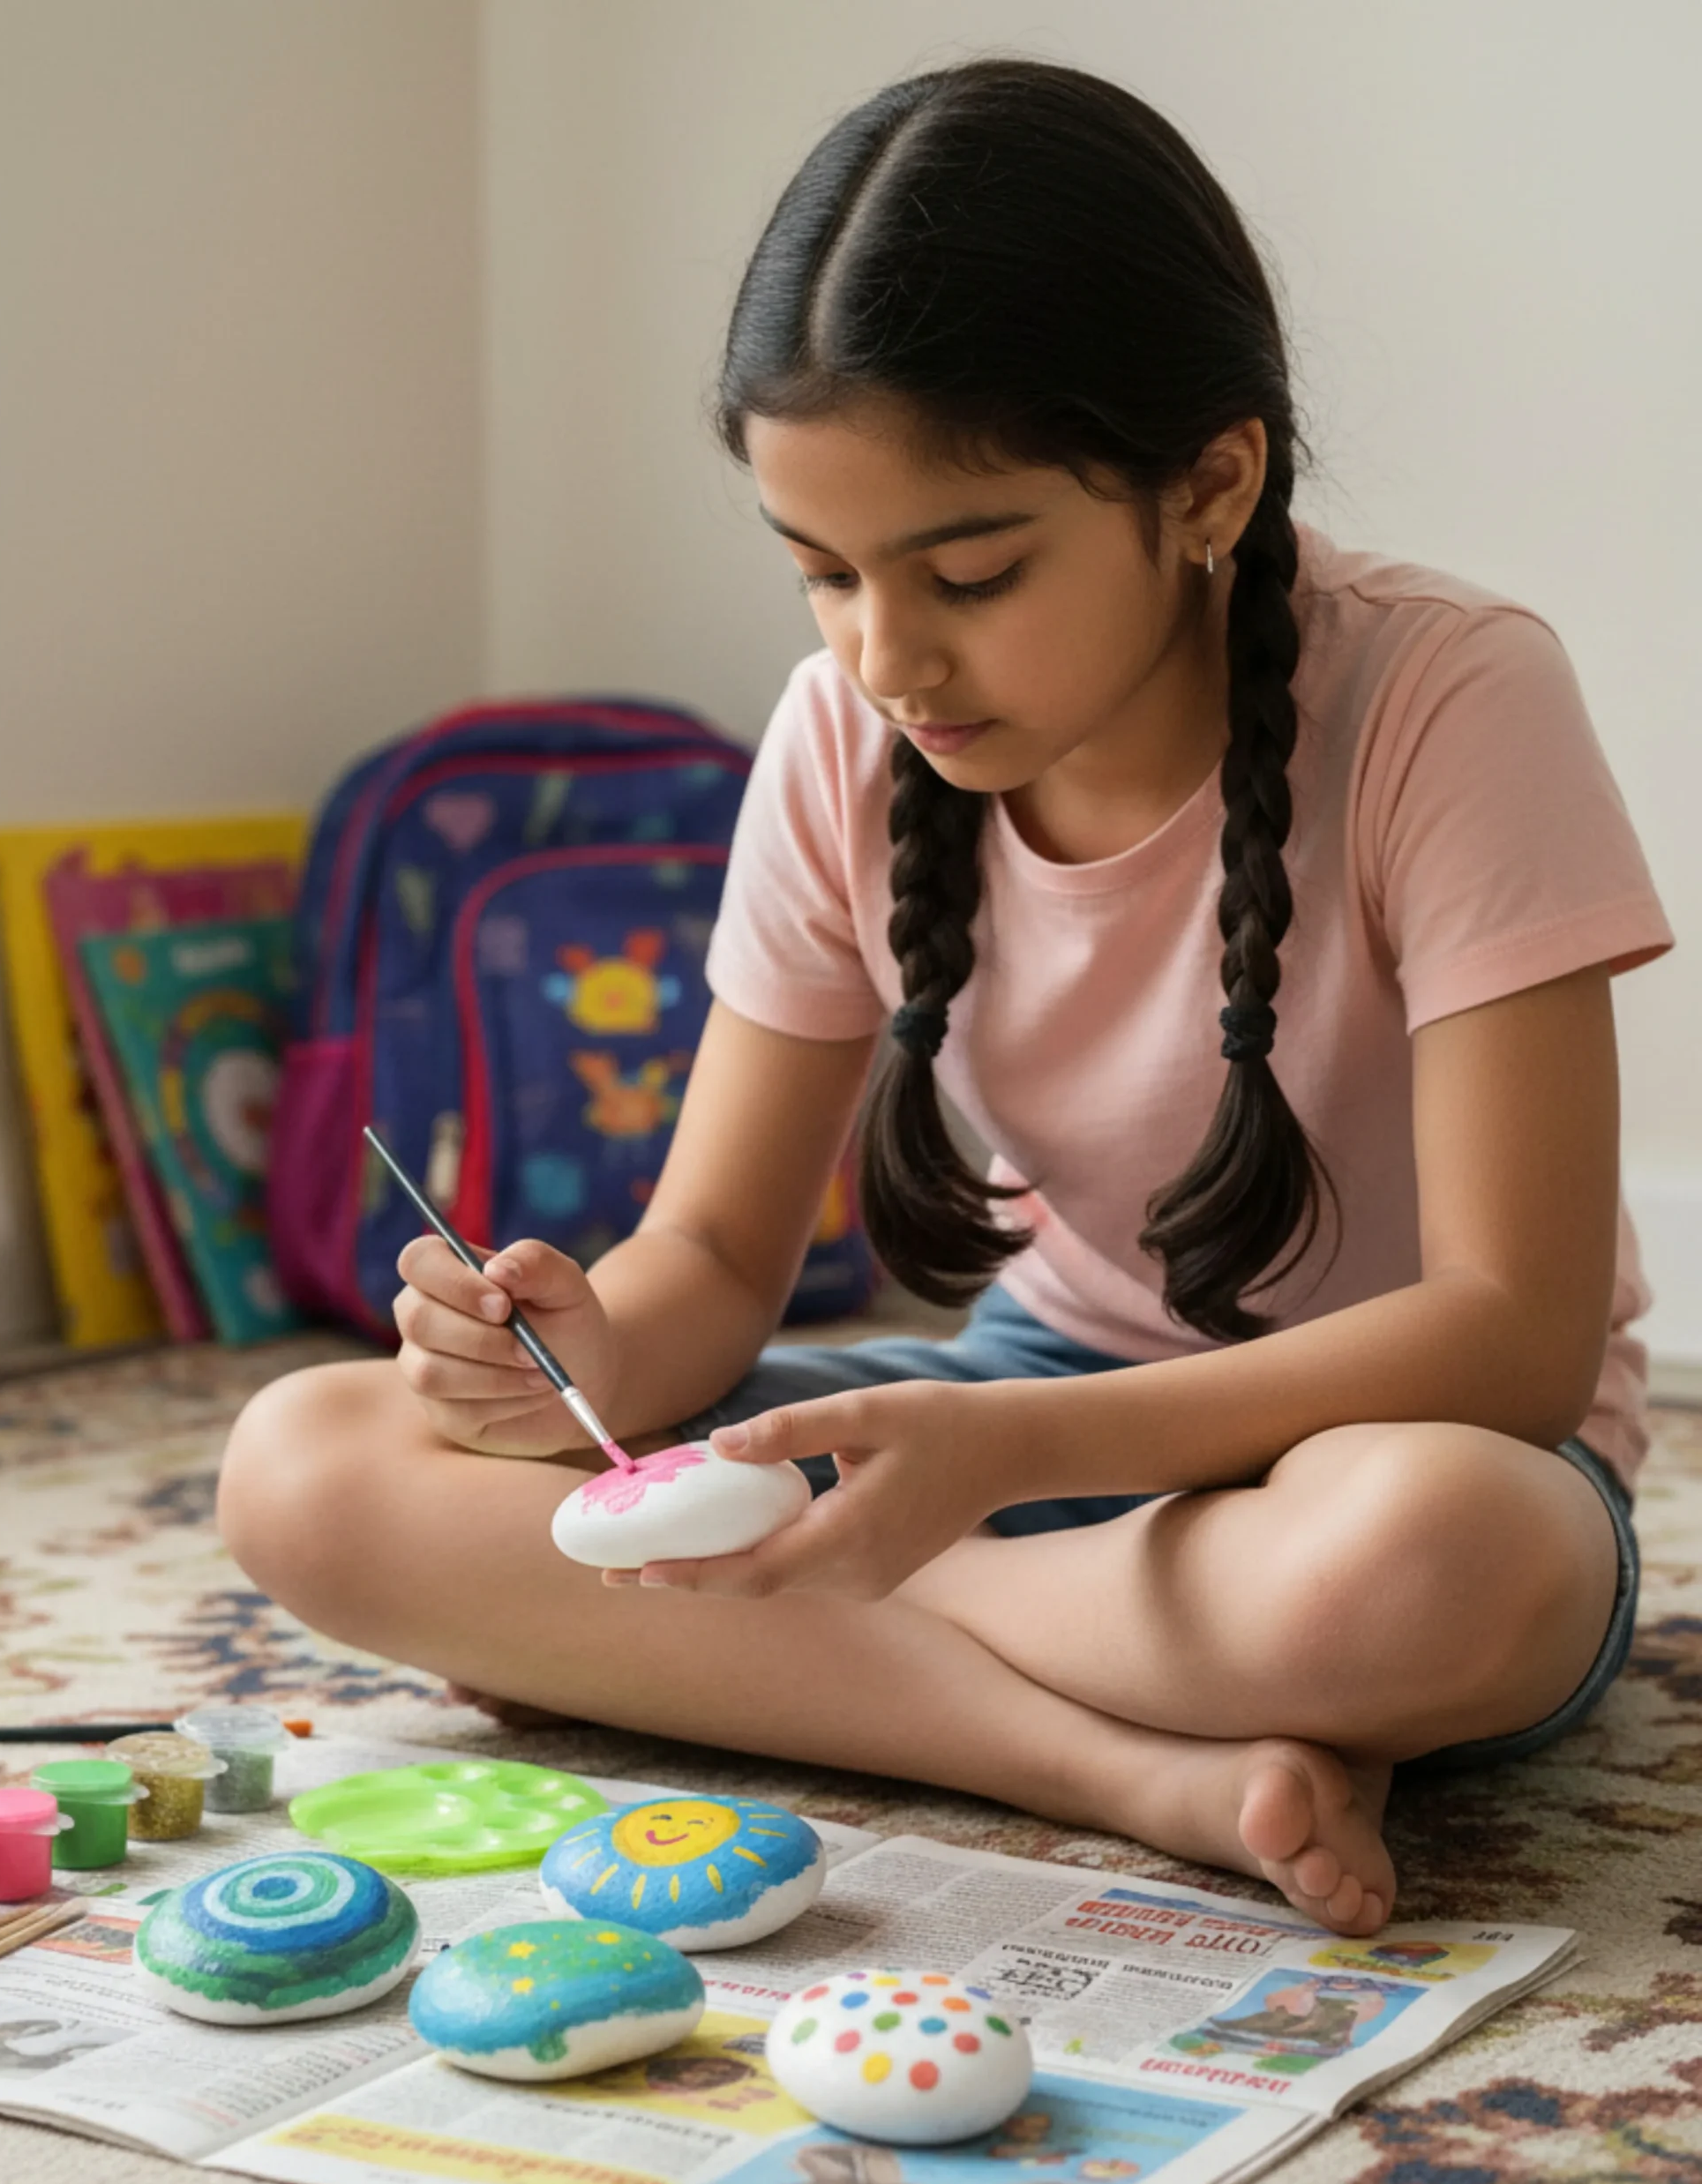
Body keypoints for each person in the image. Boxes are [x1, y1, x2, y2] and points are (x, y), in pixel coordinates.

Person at [220, 59, 1672, 1937]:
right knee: (303, 1466)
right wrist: (562, 1364)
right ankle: (1119, 1763)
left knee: (1425, 1572)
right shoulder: (843, 731)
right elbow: (717, 1254)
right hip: (1013, 1427)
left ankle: (816, 1627)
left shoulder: (1447, 696)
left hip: (1371, 1457)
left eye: (967, 571)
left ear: (1208, 481)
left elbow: (1512, 1338)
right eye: (820, 572)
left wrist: (987, 1468)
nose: (882, 656)